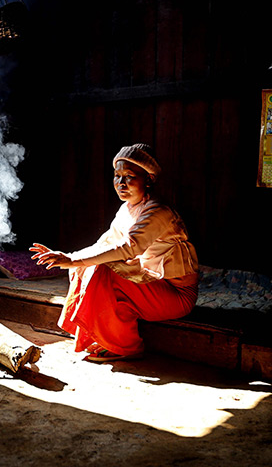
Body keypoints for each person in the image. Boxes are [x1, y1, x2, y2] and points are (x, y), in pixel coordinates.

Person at [30, 143, 198, 362]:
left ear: (148, 180)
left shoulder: (159, 211)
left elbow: (129, 246)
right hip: (153, 285)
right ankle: (106, 336)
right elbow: (104, 244)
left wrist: (73, 260)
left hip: (175, 295)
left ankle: (125, 346)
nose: (121, 183)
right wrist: (67, 256)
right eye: (117, 176)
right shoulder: (127, 208)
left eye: (129, 176)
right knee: (87, 266)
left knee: (101, 269)